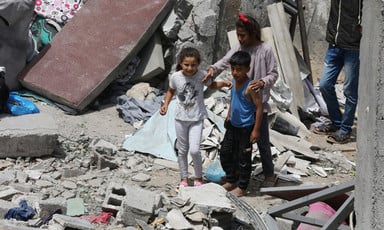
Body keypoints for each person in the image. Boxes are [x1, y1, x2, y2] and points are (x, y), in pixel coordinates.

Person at [203, 13, 278, 186]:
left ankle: (269, 174)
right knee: (236, 145)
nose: (240, 38)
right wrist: (212, 70)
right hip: (239, 107)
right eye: (238, 35)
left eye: (243, 35)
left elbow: (273, 73)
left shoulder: (265, 50)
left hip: (257, 105)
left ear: (253, 33)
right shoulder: (239, 48)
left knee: (262, 142)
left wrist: (262, 82)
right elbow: (224, 61)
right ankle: (235, 175)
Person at [160, 47, 232, 189]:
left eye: (193, 65)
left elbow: (212, 85)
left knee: (194, 150)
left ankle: (198, 178)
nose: (190, 68)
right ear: (181, 63)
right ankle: (184, 178)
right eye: (186, 64)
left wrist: (223, 83)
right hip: (180, 119)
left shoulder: (202, 75)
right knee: (182, 150)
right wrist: (165, 105)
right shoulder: (176, 77)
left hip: (196, 118)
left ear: (198, 64)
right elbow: (170, 91)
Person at [314, 0, 362, 144]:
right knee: (324, 85)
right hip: (334, 45)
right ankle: (336, 122)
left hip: (353, 47)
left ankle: (345, 129)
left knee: (349, 90)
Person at [220, 50, 263, 197]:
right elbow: (233, 99)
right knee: (225, 152)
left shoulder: (250, 87)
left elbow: (259, 107)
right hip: (233, 125)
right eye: (233, 69)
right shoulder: (232, 82)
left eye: (239, 69)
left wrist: (256, 130)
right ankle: (231, 179)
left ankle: (242, 187)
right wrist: (229, 113)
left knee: (244, 158)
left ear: (247, 69)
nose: (235, 72)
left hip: (246, 128)